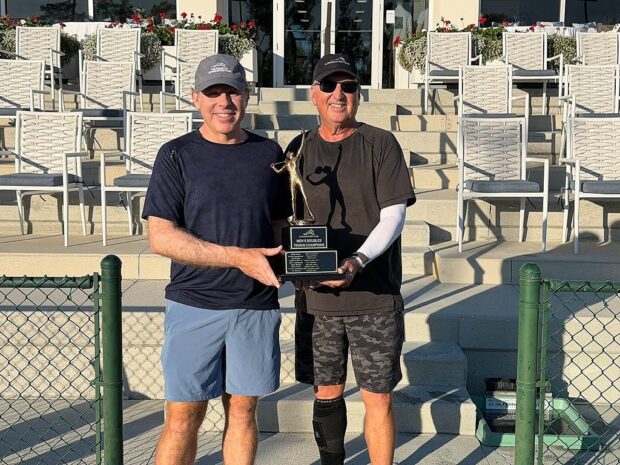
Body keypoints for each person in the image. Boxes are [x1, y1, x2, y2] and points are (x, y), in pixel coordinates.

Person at [142, 54, 289, 465]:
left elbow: (280, 226)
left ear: (247, 95)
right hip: (195, 304)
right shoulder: (176, 154)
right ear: (195, 98)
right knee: (184, 415)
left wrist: (310, 264)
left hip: (255, 305)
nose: (224, 102)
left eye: (233, 92)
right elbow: (161, 237)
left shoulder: (268, 153)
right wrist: (237, 258)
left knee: (243, 410)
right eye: (213, 93)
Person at [288, 54, 416, 465]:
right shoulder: (298, 149)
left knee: (377, 397)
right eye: (329, 86)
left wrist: (358, 260)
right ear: (314, 94)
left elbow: (394, 215)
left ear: (358, 95)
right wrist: (293, 266)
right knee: (325, 394)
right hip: (317, 301)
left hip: (373, 298)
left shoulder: (380, 143)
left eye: (348, 86)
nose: (339, 94)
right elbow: (286, 219)